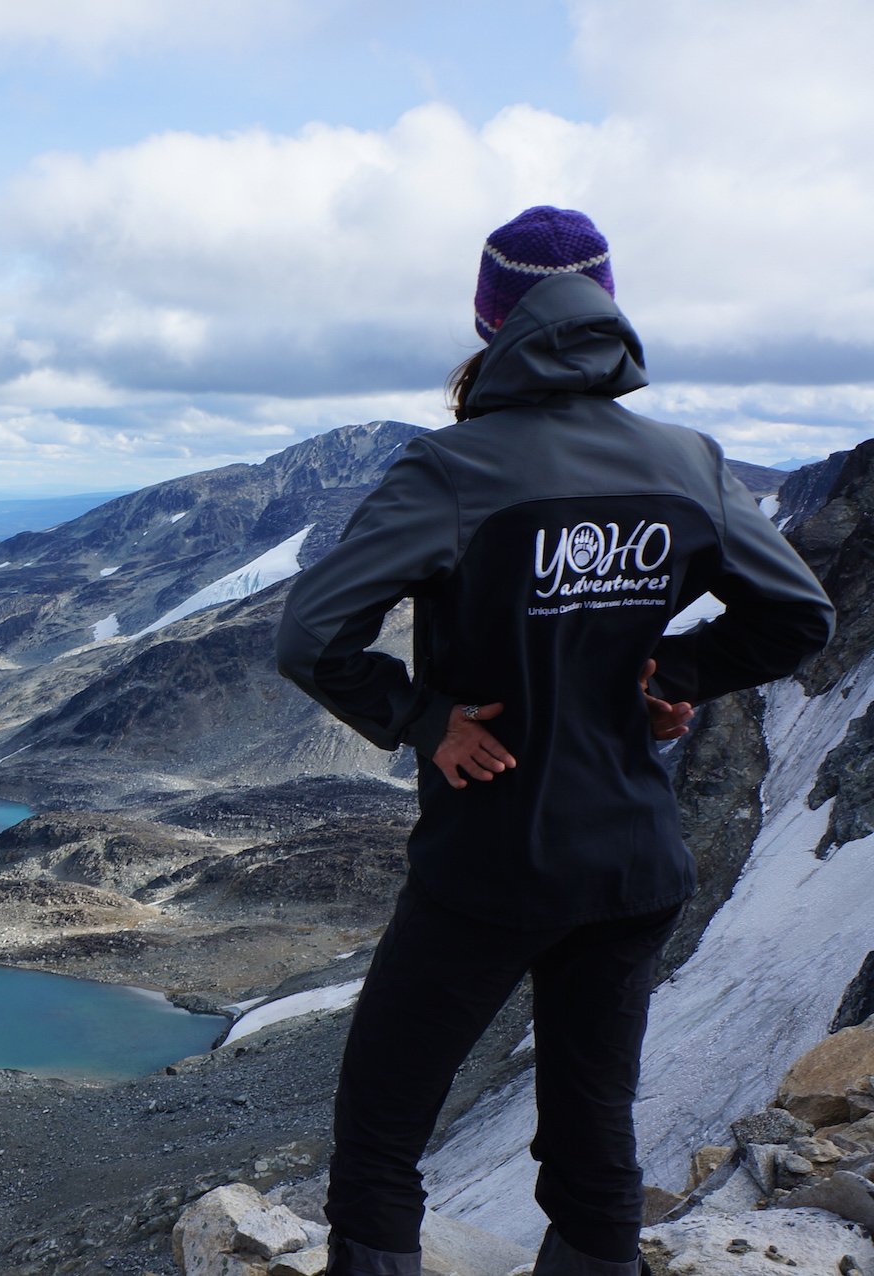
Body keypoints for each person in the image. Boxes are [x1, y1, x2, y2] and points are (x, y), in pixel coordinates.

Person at [274, 206, 834, 1276]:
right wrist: (673, 673)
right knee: (592, 1139)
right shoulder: (688, 462)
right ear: (608, 307)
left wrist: (423, 719)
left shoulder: (453, 470)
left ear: (491, 319)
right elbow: (798, 615)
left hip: (490, 858)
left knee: (383, 1137)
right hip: (631, 861)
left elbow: (309, 635)